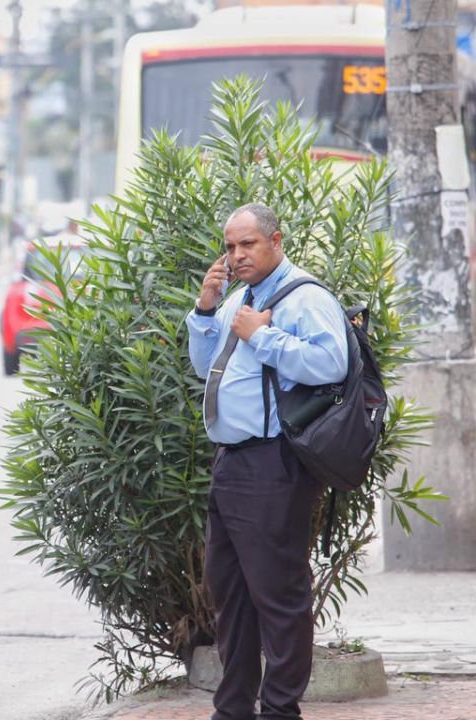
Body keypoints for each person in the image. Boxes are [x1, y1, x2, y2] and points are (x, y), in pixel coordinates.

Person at [186, 204, 349, 720]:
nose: (237, 256)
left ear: (275, 241)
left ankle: (280, 709)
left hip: (273, 464)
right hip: (231, 463)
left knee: (278, 595)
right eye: (231, 247)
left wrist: (262, 335)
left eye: (248, 245)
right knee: (229, 593)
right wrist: (208, 311)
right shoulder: (240, 296)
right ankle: (233, 708)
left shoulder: (304, 297)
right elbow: (205, 366)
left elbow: (331, 363)